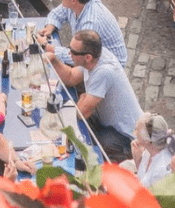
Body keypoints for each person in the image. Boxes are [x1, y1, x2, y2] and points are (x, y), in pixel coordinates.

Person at [47, 30, 143, 162]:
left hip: (124, 136)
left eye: (73, 52)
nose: (69, 54)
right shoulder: (94, 58)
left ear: (87, 57)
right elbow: (70, 77)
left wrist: (84, 99)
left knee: (87, 149)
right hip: (106, 122)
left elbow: (81, 113)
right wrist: (53, 60)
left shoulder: (103, 72)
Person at [39, 0, 127, 66]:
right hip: (88, 54)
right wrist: (49, 29)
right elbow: (56, 14)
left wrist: (46, 46)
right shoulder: (78, 3)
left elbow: (78, 58)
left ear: (73, 1)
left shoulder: (90, 23)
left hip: (109, 66)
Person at [130, 113, 175, 186]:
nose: (134, 133)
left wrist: (137, 160)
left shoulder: (160, 170)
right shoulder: (152, 148)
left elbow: (144, 191)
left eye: (137, 131)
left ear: (147, 140)